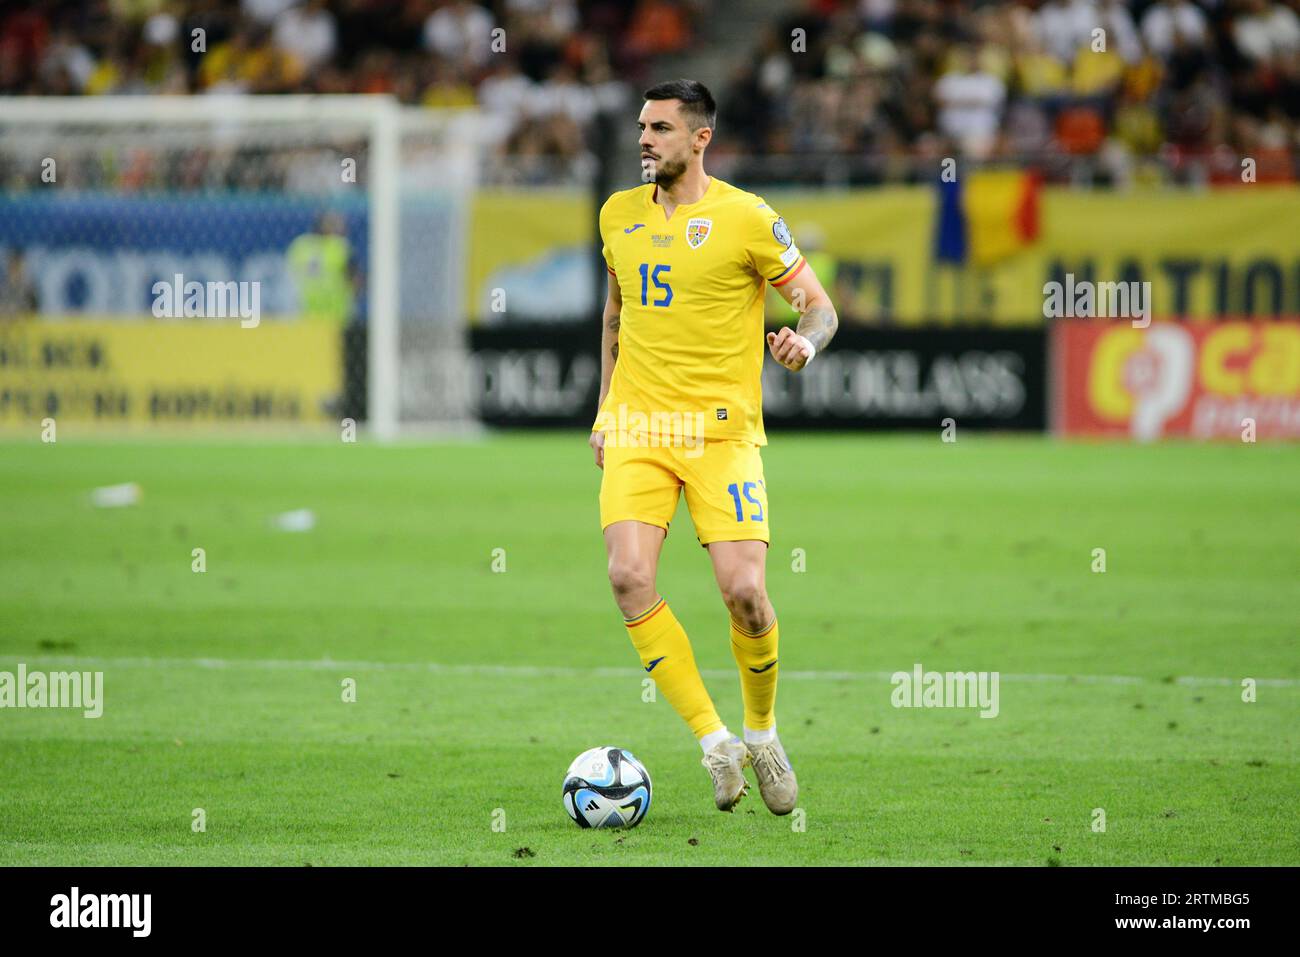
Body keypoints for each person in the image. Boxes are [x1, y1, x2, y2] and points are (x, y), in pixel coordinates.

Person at [589, 79, 838, 815]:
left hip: (722, 434)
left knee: (746, 594)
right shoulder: (615, 215)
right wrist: (604, 410)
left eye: (660, 128)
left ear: (700, 138)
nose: (644, 139)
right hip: (638, 426)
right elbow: (614, 315)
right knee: (629, 576)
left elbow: (819, 307)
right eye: (642, 126)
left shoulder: (748, 218)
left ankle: (761, 733)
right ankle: (714, 742)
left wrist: (805, 346)